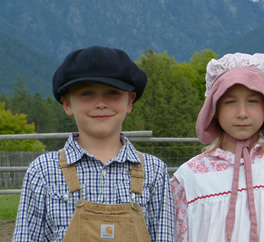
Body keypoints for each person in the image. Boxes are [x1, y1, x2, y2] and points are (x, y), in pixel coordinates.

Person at [13, 45, 175, 241]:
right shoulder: (43, 171)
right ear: (67, 103)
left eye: (113, 93)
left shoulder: (155, 171)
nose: (100, 103)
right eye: (87, 93)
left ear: (130, 101)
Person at [170, 52, 264, 242]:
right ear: (214, 110)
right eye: (230, 102)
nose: (242, 113)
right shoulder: (189, 179)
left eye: (253, 101)